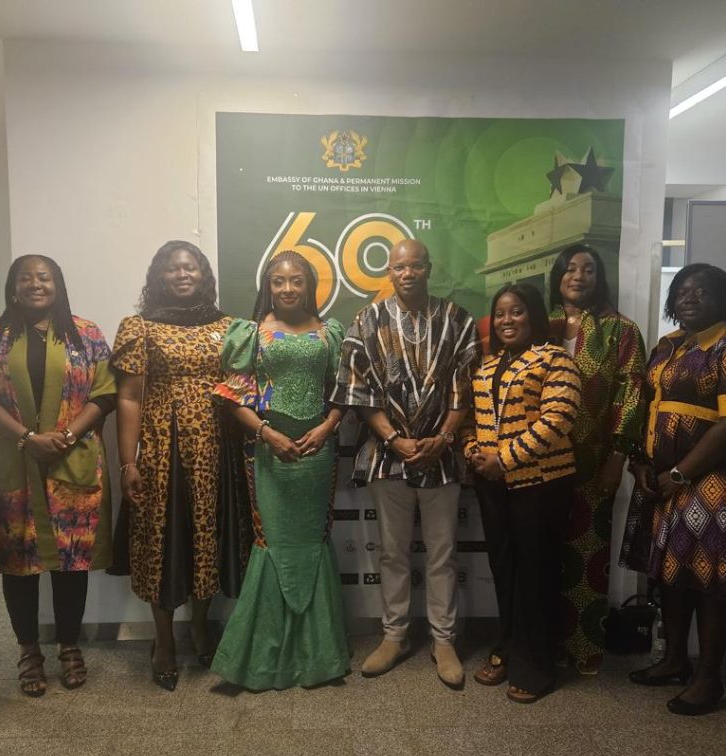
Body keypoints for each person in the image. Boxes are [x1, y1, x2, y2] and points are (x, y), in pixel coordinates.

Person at [620, 263, 726, 716]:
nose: (689, 297)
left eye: (702, 291)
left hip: (714, 481)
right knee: (670, 574)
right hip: (662, 480)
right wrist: (640, 463)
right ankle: (675, 660)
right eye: (682, 291)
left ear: (724, 299)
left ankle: (709, 679)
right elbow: (646, 407)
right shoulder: (667, 347)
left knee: (713, 581)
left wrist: (679, 474)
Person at [331, 238, 480, 689]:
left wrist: (444, 437)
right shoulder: (367, 320)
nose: (408, 274)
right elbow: (356, 389)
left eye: (416, 266)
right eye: (399, 267)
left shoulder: (457, 319)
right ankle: (394, 636)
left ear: (429, 268)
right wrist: (394, 438)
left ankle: (444, 640)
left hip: (442, 454)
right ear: (389, 272)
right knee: (392, 551)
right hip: (386, 454)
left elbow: (467, 386)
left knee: (442, 552)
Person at [211, 250, 349, 689]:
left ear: (310, 286)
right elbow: (234, 397)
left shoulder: (330, 333)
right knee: (271, 542)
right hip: (267, 454)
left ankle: (319, 656)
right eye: (278, 281)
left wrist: (326, 428)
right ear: (267, 286)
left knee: (312, 541)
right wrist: (267, 434)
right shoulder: (250, 334)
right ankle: (260, 658)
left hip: (317, 454)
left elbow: (344, 391)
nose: (287, 289)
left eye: (296, 281)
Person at [0, 254, 116, 696]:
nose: (35, 284)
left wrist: (67, 434)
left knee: (71, 563)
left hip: (70, 461)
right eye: (26, 277)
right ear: (12, 286)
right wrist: (26, 437)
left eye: (44, 277)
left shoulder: (85, 333)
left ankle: (69, 646)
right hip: (14, 462)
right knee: (18, 564)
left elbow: (105, 394)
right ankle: (28, 650)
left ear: (57, 284)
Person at [112, 240, 240, 691]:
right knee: (161, 543)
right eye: (173, 268)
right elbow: (129, 397)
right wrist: (128, 461)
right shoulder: (139, 328)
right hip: (162, 450)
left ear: (204, 275)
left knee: (207, 538)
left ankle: (200, 625)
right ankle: (163, 641)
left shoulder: (228, 327)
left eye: (190, 267)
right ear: (159, 277)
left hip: (216, 450)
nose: (183, 275)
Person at [461, 283, 582, 703]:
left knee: (536, 574)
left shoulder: (555, 359)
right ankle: (509, 645)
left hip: (541, 485)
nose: (507, 320)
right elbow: (472, 421)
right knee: (506, 571)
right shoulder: (487, 365)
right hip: (494, 486)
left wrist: (505, 458)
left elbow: (558, 419)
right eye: (500, 313)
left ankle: (536, 665)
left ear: (533, 314)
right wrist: (474, 452)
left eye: (516, 312)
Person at [545, 245, 646, 675]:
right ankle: (542, 645)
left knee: (587, 555)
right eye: (569, 269)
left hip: (594, 461)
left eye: (588, 269)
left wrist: (618, 457)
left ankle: (584, 646)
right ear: (557, 277)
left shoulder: (621, 330)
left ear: (599, 278)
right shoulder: (540, 324)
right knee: (541, 554)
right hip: (539, 460)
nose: (578, 276)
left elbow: (632, 394)